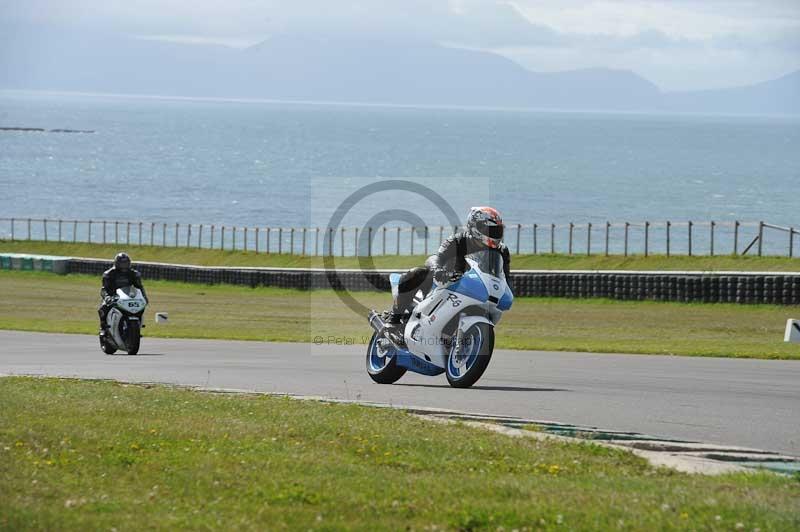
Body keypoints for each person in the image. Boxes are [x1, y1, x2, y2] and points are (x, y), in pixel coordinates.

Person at [386, 206, 511, 329]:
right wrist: (438, 271)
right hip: (445, 284)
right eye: (490, 230)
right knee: (416, 273)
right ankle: (394, 318)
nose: (494, 234)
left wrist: (507, 293)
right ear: (476, 227)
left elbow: (504, 278)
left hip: (476, 291)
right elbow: (436, 258)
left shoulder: (502, 251)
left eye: (497, 230)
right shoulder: (458, 240)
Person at [98, 252, 148, 334]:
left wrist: (144, 297)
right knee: (102, 308)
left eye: (125, 263)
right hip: (113, 296)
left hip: (128, 296)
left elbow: (139, 287)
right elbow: (104, 289)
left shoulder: (134, 274)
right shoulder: (109, 274)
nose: (124, 265)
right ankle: (103, 327)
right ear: (116, 263)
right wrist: (107, 297)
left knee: (141, 305)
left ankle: (138, 324)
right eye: (122, 263)